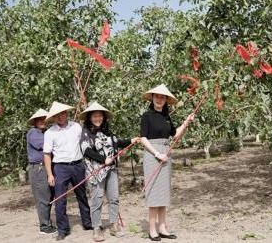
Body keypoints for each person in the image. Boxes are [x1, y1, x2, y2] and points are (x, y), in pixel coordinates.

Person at [79, 102, 142, 242]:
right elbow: (86, 150)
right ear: (90, 117)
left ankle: (114, 225)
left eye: (100, 116)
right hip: (95, 172)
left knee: (114, 198)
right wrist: (103, 159)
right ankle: (96, 228)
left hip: (111, 169)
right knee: (97, 199)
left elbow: (116, 142)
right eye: (95, 116)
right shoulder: (85, 132)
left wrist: (132, 140)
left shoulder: (107, 131)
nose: (98, 119)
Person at [140, 84, 193, 241]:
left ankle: (162, 228)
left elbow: (175, 135)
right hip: (152, 155)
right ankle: (152, 230)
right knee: (153, 195)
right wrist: (156, 153)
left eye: (162, 97)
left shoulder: (166, 117)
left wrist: (186, 122)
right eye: (157, 96)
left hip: (166, 155)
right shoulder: (146, 116)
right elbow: (143, 138)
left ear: (165, 100)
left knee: (163, 195)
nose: (159, 99)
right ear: (153, 98)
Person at [43, 101, 92, 240]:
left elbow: (85, 144)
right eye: (57, 114)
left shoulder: (76, 127)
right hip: (60, 168)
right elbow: (46, 154)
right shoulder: (49, 132)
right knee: (60, 199)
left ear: (67, 113)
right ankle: (63, 230)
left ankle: (87, 223)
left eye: (63, 113)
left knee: (82, 195)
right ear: (53, 117)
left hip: (78, 165)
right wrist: (50, 174)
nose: (61, 116)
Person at [26, 108, 56, 235]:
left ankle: (47, 223)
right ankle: (44, 226)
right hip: (38, 168)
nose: (43, 121)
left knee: (49, 196)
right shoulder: (33, 133)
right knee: (43, 198)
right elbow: (47, 147)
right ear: (35, 121)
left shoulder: (46, 132)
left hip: (47, 167)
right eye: (40, 119)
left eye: (44, 119)